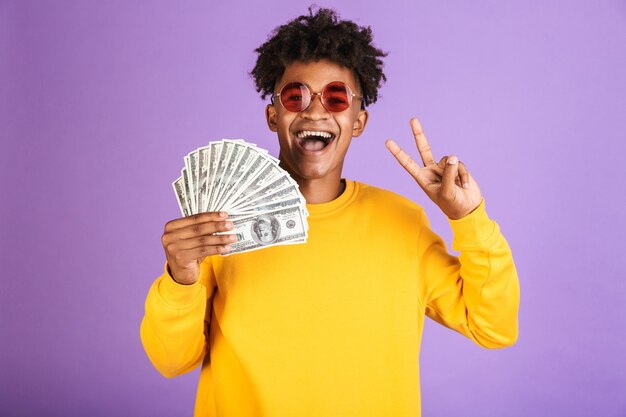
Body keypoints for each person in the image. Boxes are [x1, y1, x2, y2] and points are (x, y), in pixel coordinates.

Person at [141, 7, 520, 417]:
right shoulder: (218, 227)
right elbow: (171, 360)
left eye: (336, 97)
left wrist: (470, 219)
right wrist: (180, 278)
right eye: (295, 96)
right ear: (274, 115)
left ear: (358, 121)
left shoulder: (402, 222)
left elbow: (492, 326)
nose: (315, 111)